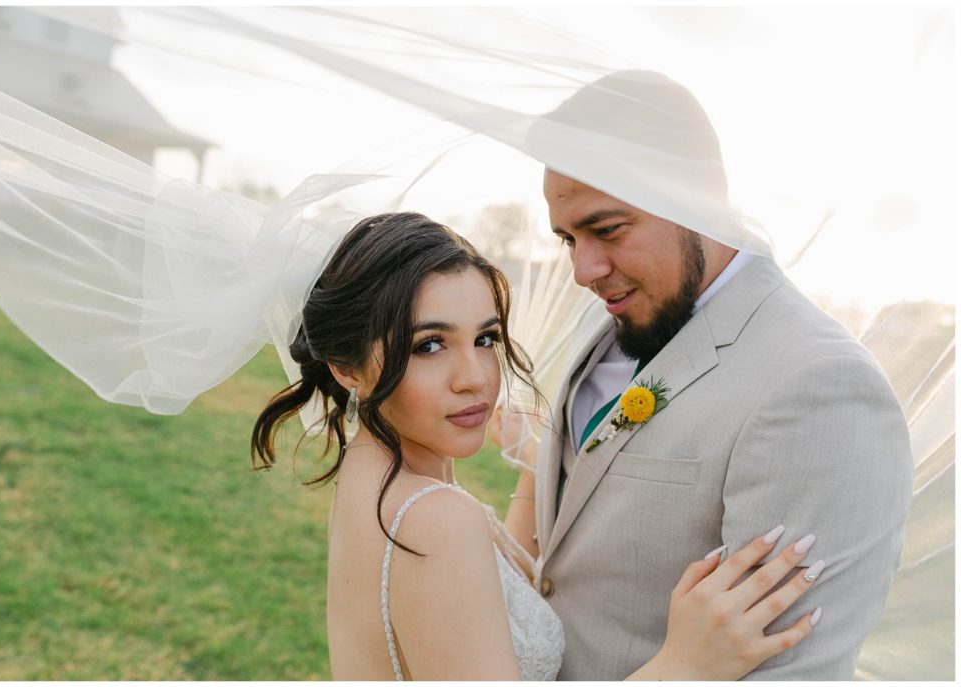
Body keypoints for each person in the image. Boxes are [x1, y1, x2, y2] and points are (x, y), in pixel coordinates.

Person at [251, 211, 822, 680]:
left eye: (485, 337)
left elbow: (476, 603)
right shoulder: (432, 518)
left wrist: (531, 471)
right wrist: (686, 664)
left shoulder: (373, 473)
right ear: (347, 367)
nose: (474, 376)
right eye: (429, 346)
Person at [496, 71, 914, 680]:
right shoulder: (612, 311)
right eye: (567, 239)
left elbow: (789, 670)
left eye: (608, 230)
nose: (583, 269)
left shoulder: (820, 387)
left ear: (699, 194)